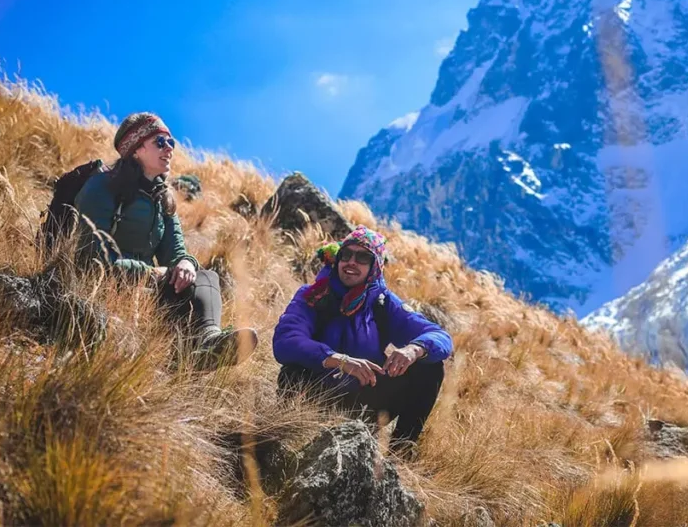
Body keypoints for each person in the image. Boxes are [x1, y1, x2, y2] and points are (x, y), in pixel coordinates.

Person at [73, 112, 258, 367]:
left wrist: (185, 264)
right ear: (136, 149)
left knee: (206, 277)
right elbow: (91, 260)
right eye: (160, 142)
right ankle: (186, 357)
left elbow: (176, 249)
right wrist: (150, 273)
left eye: (171, 142)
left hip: (146, 287)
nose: (169, 149)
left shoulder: (161, 197)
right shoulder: (101, 188)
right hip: (104, 287)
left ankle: (207, 342)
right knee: (181, 282)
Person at [273, 225, 452, 455]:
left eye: (362, 257)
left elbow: (440, 336)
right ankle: (288, 436)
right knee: (292, 370)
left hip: (365, 400)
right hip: (314, 394)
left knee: (430, 368)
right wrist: (337, 359)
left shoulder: (383, 303)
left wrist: (414, 349)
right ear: (337, 260)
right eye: (346, 255)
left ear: (374, 267)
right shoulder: (313, 295)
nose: (351, 262)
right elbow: (285, 341)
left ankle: (399, 454)